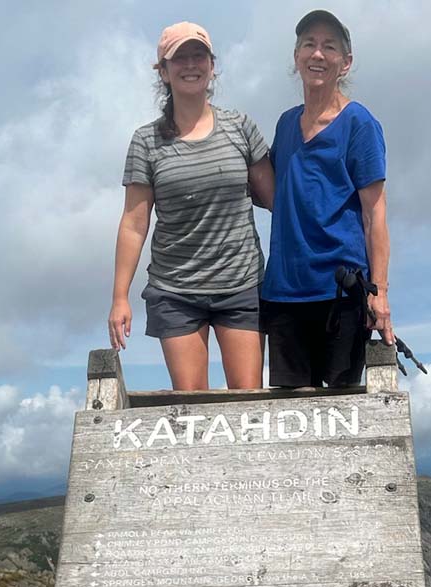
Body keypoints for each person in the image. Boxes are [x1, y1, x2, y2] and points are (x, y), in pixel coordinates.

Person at [109, 22, 275, 391]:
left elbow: (276, 199)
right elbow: (134, 224)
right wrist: (120, 297)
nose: (190, 65)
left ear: (212, 65)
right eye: (179, 58)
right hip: (175, 290)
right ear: (163, 72)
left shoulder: (241, 127)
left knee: (247, 405)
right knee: (191, 411)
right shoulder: (146, 141)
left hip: (241, 283)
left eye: (198, 55)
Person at [261, 9, 393, 388]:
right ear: (296, 56)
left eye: (329, 47)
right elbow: (272, 190)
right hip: (285, 290)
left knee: (342, 413)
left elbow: (375, 213)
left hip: (342, 291)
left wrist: (379, 293)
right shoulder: (286, 124)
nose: (317, 54)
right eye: (309, 44)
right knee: (291, 418)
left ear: (345, 63)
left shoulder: (359, 123)